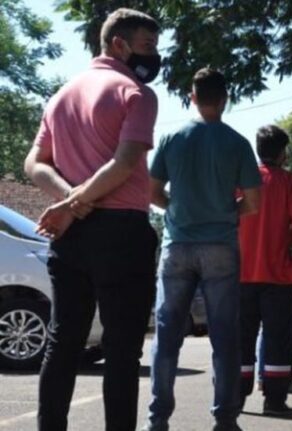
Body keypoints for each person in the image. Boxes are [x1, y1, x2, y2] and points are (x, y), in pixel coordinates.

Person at [24, 8, 161, 431]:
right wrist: (73, 202)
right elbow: (124, 165)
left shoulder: (61, 95)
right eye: (147, 46)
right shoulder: (135, 93)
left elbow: (34, 163)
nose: (154, 57)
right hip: (122, 233)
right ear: (118, 44)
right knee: (122, 351)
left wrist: (68, 202)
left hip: (72, 236)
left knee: (63, 341)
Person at [143, 68, 261, 431]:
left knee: (166, 337)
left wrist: (176, 208)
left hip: (177, 245)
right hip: (221, 247)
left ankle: (157, 420)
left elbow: (151, 192)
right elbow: (253, 203)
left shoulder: (172, 137)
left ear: (192, 98)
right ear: (225, 98)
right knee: (224, 336)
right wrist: (226, 212)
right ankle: (225, 419)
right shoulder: (238, 143)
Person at [238, 125, 292, 417]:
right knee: (277, 339)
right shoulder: (290, 184)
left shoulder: (241, 181)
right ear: (283, 152)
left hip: (240, 276)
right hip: (280, 278)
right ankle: (274, 401)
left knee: (241, 338)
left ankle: (233, 399)